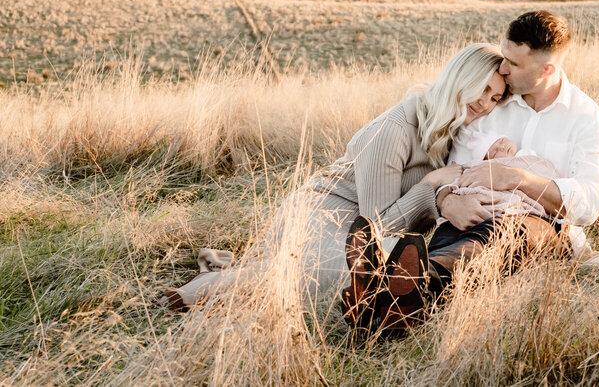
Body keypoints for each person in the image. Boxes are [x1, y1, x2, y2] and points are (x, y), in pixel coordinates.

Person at [164, 43, 506, 316]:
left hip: (359, 231)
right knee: (351, 266)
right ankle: (201, 290)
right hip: (320, 214)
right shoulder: (396, 128)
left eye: (495, 97)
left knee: (381, 264)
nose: (486, 103)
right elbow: (377, 225)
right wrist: (431, 186)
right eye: (483, 88)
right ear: (460, 76)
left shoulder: (453, 127)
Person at [431, 10, 599, 276]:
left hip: (538, 227)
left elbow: (590, 203)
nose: (502, 69)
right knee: (450, 239)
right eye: (504, 57)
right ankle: (396, 288)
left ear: (547, 69)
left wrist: (518, 178)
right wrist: (447, 201)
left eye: (513, 64)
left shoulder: (585, 117)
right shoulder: (491, 102)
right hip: (471, 213)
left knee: (499, 235)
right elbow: (453, 168)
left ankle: (418, 277)